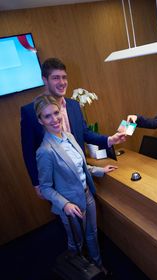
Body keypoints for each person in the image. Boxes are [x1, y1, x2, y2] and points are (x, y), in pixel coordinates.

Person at [21, 57, 126, 198]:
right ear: (45, 80)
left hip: (81, 176)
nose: (62, 82)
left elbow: (85, 133)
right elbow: (28, 152)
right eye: (56, 78)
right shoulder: (30, 111)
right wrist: (37, 184)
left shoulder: (74, 105)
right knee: (68, 218)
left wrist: (110, 140)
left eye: (64, 77)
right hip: (56, 183)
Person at [35, 94, 117, 270]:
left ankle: (98, 266)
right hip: (71, 205)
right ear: (40, 120)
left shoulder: (69, 136)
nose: (54, 119)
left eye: (56, 113)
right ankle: (78, 273)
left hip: (87, 195)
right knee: (76, 242)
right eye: (47, 116)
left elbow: (80, 166)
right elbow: (45, 188)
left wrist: (100, 170)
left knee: (92, 235)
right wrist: (65, 205)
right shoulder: (45, 151)